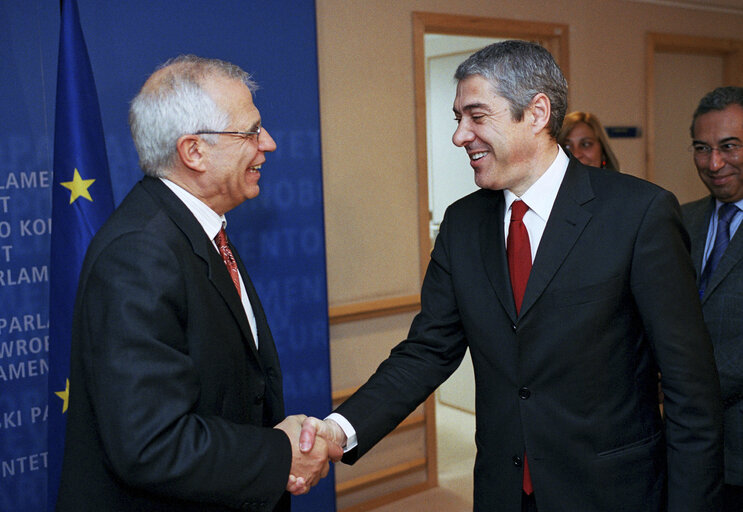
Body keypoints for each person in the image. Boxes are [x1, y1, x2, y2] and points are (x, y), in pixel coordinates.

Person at [301, 40, 723, 511]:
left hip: (611, 491)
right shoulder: (462, 225)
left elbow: (691, 389)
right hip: (503, 491)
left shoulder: (638, 213)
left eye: (477, 116)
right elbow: (426, 352)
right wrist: (339, 429)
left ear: (537, 112)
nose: (460, 136)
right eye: (458, 119)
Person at [55, 55, 340, 512]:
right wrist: (281, 453)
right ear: (194, 152)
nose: (267, 143)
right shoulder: (140, 252)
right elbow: (151, 443)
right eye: (250, 131)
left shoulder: (196, 229)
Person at [681, 86, 743, 512]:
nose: (714, 164)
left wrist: (684, 389)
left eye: (729, 147)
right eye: (703, 149)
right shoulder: (679, 220)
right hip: (686, 450)